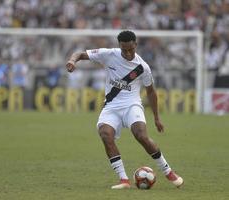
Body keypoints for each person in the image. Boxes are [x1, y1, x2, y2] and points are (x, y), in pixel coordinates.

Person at [65, 30, 183, 189]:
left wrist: (156, 118)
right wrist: (72, 61)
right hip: (111, 106)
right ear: (119, 46)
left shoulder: (143, 67)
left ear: (135, 44)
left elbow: (151, 91)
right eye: (124, 49)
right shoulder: (108, 54)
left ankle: (168, 172)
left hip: (132, 105)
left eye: (130, 49)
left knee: (141, 135)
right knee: (105, 134)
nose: (127, 53)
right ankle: (124, 180)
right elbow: (80, 54)